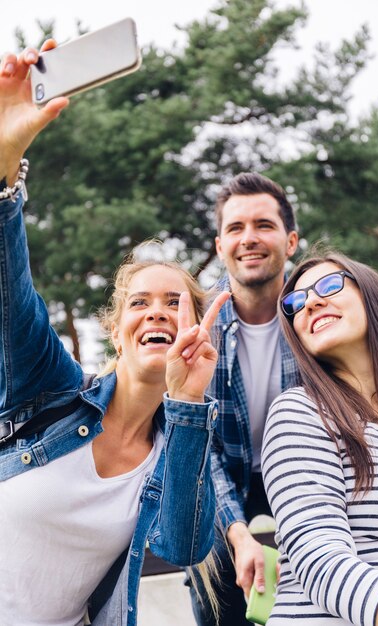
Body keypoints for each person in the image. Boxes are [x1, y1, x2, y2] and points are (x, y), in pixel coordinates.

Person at [0, 43, 230, 626]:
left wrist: (188, 400)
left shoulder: (177, 446)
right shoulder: (50, 390)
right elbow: (11, 297)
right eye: (140, 303)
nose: (157, 313)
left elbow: (184, 546)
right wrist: (4, 171)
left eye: (176, 304)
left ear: (198, 330)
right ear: (116, 329)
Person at [262, 250, 378, 625]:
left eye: (330, 285)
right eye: (295, 303)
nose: (311, 302)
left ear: (374, 298)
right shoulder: (298, 412)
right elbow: (323, 565)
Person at [187, 172, 300, 625]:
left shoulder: (318, 311)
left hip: (303, 467)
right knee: (212, 558)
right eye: (235, 228)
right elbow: (201, 445)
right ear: (219, 246)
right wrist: (238, 533)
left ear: (290, 241)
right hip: (225, 470)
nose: (249, 239)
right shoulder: (198, 323)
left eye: (264, 225)